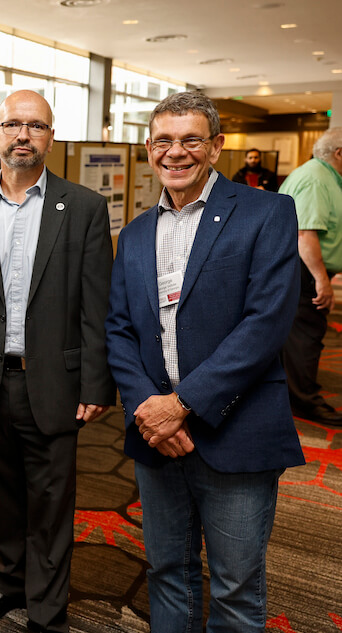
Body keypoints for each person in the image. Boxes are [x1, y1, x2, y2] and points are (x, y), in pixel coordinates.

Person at [105, 91, 305, 632]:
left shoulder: (267, 212)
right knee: (167, 571)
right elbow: (119, 329)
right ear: (149, 149)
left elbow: (266, 323)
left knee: (236, 587)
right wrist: (150, 407)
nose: (177, 152)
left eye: (191, 139)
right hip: (156, 437)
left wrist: (182, 404)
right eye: (164, 140)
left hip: (236, 431)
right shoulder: (136, 232)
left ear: (216, 147)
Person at [0, 90, 115, 632]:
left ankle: (46, 611)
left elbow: (95, 305)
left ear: (50, 138)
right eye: (12, 125)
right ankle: (10, 586)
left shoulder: (83, 207)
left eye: (35, 127)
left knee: (52, 505)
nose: (22, 136)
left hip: (54, 383)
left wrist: (95, 384)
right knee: (4, 498)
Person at [278, 127, 342, 425]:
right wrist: (322, 279)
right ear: (339, 153)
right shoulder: (317, 179)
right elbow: (305, 234)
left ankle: (291, 392)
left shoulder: (324, 176)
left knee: (296, 335)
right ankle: (303, 401)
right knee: (306, 335)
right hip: (303, 269)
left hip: (304, 268)